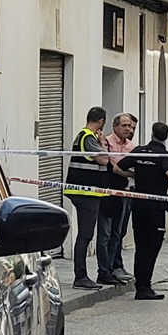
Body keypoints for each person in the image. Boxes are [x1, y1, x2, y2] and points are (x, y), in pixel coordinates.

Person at [115, 122, 168, 300]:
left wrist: (135, 176)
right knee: (152, 246)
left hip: (138, 205)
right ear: (165, 137)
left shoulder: (139, 151)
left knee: (140, 246)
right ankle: (145, 285)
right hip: (155, 207)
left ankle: (141, 286)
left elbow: (117, 167)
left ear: (152, 134)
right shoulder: (163, 155)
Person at [64, 107, 110, 290]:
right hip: (86, 193)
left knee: (85, 235)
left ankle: (81, 275)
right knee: (85, 235)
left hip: (85, 192)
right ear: (101, 122)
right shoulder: (88, 137)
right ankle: (80, 276)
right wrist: (103, 144)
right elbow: (104, 160)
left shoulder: (82, 136)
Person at [97, 112, 137, 285]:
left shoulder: (131, 147)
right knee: (105, 234)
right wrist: (123, 172)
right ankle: (103, 270)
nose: (128, 129)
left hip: (127, 192)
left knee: (118, 233)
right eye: (125, 126)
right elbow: (110, 166)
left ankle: (114, 267)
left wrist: (125, 173)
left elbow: (133, 171)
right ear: (115, 127)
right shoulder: (106, 143)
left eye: (130, 126)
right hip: (108, 193)